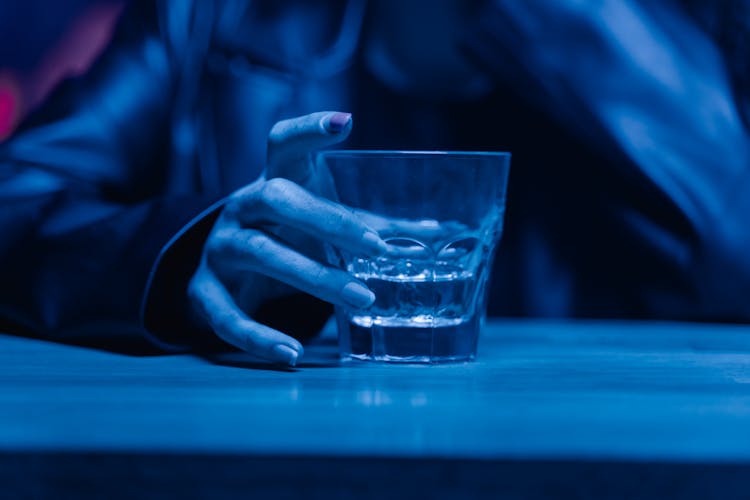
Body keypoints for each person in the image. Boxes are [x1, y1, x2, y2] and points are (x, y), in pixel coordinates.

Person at [1, 0, 749, 365]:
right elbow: (14, 206)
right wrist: (187, 256)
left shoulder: (694, 25)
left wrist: (584, 28)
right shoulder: (208, 18)